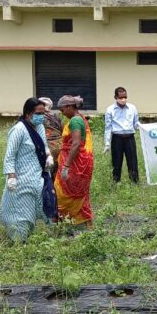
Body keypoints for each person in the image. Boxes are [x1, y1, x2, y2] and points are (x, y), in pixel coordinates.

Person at [0, 98, 57, 243]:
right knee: (21, 212)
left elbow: (44, 146)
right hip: (21, 178)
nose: (41, 116)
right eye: (38, 113)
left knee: (40, 207)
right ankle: (19, 241)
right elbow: (10, 155)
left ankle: (33, 237)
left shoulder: (40, 127)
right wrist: (11, 176)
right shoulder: (18, 130)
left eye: (43, 113)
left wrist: (49, 156)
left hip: (38, 176)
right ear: (28, 113)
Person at [55, 95, 94, 228]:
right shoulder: (79, 118)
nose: (62, 113)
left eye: (63, 110)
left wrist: (66, 166)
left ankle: (67, 223)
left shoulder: (75, 121)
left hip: (76, 164)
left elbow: (76, 144)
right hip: (79, 162)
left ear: (69, 107)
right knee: (77, 194)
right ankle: (82, 224)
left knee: (63, 193)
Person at [104, 87, 140, 183]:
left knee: (132, 162)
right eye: (121, 97)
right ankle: (116, 183)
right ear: (115, 97)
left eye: (125, 97)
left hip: (130, 138)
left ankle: (134, 183)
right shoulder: (110, 110)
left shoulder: (132, 108)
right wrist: (107, 144)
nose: (123, 99)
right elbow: (108, 128)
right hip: (117, 139)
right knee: (117, 162)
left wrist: (143, 128)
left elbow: (136, 124)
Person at [39, 97, 63, 176]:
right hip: (59, 146)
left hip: (46, 147)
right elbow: (62, 130)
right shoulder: (57, 117)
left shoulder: (39, 117)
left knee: (44, 170)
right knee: (56, 172)